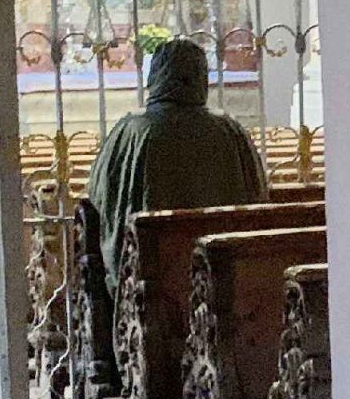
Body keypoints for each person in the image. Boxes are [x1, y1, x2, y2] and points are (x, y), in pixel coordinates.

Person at [87, 37, 266, 278]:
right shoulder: (230, 131)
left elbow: (99, 195)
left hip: (149, 272)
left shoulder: (131, 130)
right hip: (226, 273)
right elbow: (258, 198)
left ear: (155, 76)